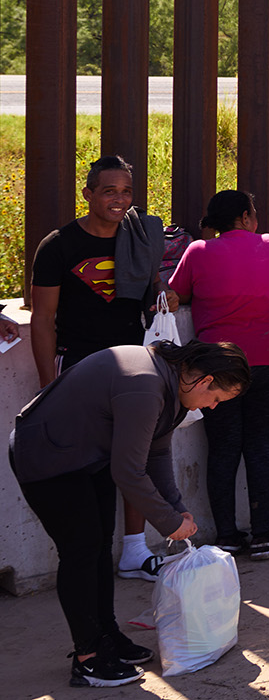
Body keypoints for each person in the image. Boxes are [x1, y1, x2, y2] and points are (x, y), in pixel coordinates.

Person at [10, 339, 249, 688]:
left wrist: (177, 507)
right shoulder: (147, 385)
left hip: (87, 456)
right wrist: (168, 523)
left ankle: (107, 635)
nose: (212, 407)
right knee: (81, 551)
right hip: (47, 456)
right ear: (205, 381)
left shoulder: (171, 384)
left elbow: (156, 455)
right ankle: (88, 658)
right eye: (215, 399)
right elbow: (129, 471)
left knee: (99, 546)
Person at [28, 155, 174, 580]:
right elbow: (42, 318)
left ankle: (134, 550)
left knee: (137, 455)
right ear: (88, 194)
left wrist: (164, 295)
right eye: (109, 191)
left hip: (135, 366)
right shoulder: (59, 245)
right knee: (89, 465)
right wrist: (46, 386)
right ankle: (89, 554)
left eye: (126, 192)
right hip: (80, 367)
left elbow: (152, 290)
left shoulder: (141, 237)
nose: (120, 200)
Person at [167, 190, 269, 558]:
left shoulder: (197, 252)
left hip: (218, 368)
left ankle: (226, 535)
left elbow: (177, 294)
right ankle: (264, 533)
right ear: (245, 215)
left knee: (222, 448)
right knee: (261, 446)